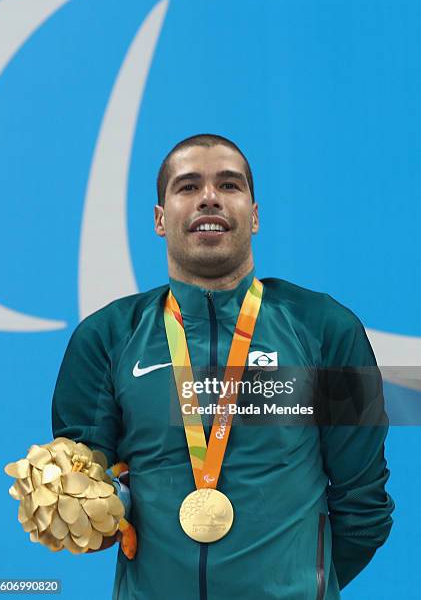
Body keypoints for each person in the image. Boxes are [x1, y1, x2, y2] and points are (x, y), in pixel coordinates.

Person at [52, 133, 394, 599]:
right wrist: (92, 509)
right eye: (188, 186)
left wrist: (300, 584)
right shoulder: (106, 338)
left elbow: (363, 506)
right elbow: (83, 492)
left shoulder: (328, 329)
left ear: (254, 216)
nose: (209, 197)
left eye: (229, 185)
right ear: (159, 218)